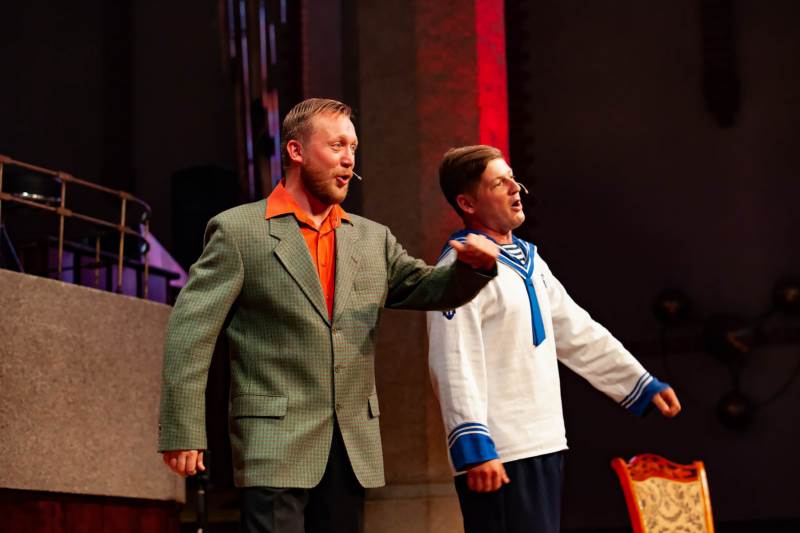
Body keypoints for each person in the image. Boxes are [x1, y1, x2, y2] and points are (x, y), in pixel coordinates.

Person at [158, 99, 499, 533]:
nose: (349, 158)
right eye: (337, 145)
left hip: (350, 444)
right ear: (296, 151)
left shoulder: (372, 239)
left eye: (353, 147)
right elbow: (190, 333)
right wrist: (183, 429)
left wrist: (473, 269)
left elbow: (431, 288)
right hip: (274, 443)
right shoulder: (239, 231)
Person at [427, 145, 681, 533]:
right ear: (467, 203)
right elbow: (453, 362)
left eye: (512, 178)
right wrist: (474, 448)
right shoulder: (459, 271)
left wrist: (638, 382)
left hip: (544, 442)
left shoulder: (530, 261)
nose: (515, 188)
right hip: (500, 452)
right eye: (499, 183)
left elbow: (577, 332)